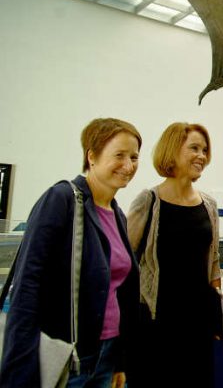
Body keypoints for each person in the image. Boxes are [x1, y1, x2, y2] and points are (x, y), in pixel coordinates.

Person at [0, 118, 141, 388]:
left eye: (134, 157)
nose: (129, 165)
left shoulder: (118, 215)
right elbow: (27, 284)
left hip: (107, 353)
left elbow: (121, 292)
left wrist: (121, 360)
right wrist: (20, 369)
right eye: (119, 155)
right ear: (92, 156)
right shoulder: (61, 200)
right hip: (66, 355)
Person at [126, 122, 223, 388]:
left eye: (205, 150)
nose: (202, 156)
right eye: (194, 148)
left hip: (197, 327)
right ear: (172, 151)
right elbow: (124, 263)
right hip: (155, 324)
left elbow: (213, 262)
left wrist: (219, 313)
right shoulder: (148, 201)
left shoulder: (209, 206)